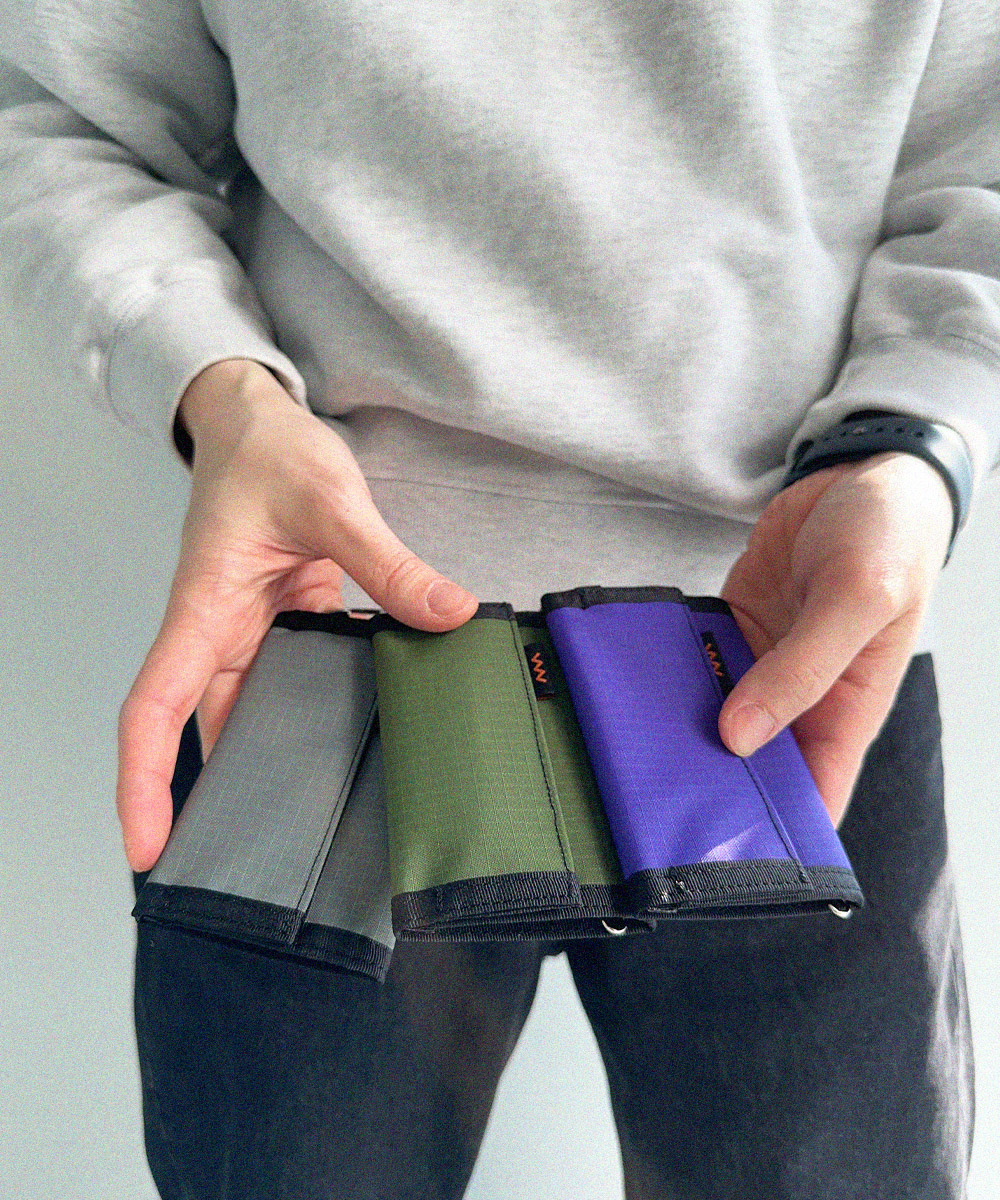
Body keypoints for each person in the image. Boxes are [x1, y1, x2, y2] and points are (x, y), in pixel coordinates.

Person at [1, 2, 993, 1196]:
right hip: (326, 646)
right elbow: (65, 120)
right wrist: (224, 397)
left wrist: (909, 450)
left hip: (794, 651)